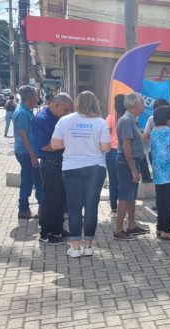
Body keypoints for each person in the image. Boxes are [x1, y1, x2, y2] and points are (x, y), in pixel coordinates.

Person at [50, 91, 111, 258]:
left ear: (77, 103)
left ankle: (75, 247)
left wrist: (70, 143)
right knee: (91, 206)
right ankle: (89, 246)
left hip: (71, 167)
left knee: (74, 208)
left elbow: (54, 144)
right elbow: (106, 148)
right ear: (95, 103)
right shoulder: (100, 123)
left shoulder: (65, 120)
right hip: (95, 167)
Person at [32, 93, 74, 244]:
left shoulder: (59, 118)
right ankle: (45, 232)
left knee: (61, 200)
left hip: (62, 163)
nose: (68, 113)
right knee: (51, 199)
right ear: (57, 105)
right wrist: (70, 143)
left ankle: (57, 229)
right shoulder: (41, 120)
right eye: (67, 109)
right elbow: (45, 146)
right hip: (51, 164)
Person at [115, 92, 149, 240]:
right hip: (126, 163)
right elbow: (126, 146)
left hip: (131, 162)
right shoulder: (127, 120)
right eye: (142, 103)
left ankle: (131, 225)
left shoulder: (132, 120)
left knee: (131, 196)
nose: (144, 105)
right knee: (124, 196)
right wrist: (133, 170)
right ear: (135, 105)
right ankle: (118, 230)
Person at [149, 106, 170, 241]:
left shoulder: (153, 131)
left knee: (161, 200)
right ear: (167, 118)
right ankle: (167, 230)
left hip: (158, 172)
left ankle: (160, 227)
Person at [13, 85, 43, 219]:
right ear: (29, 98)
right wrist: (32, 156)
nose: (38, 99)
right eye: (36, 96)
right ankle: (23, 208)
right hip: (25, 153)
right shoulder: (22, 113)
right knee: (28, 180)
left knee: (38, 180)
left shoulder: (27, 111)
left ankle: (42, 206)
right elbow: (23, 136)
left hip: (29, 152)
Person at [105, 94, 126, 218]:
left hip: (112, 152)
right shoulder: (130, 118)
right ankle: (125, 207)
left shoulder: (110, 118)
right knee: (125, 181)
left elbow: (106, 136)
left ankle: (113, 207)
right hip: (125, 152)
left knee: (113, 181)